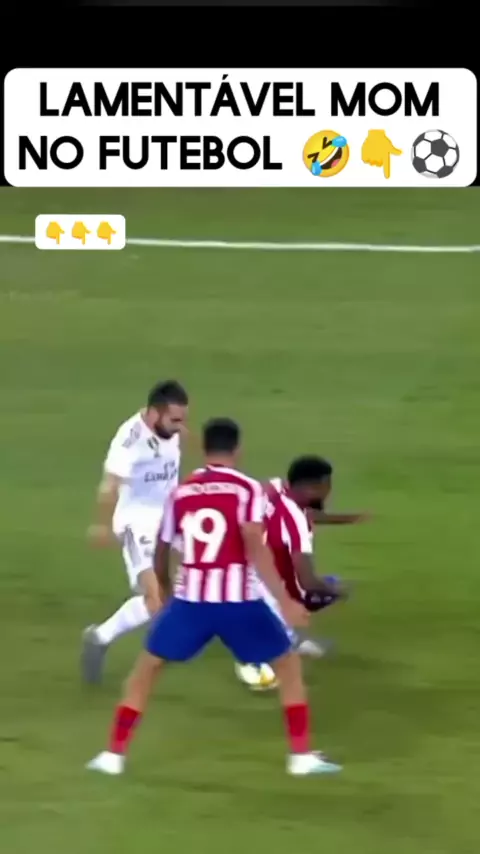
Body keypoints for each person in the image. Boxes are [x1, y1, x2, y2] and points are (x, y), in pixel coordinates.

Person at [86, 418, 342, 777]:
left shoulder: (181, 492)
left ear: (205, 449)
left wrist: (163, 588)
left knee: (146, 671)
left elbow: (162, 547)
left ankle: (112, 755)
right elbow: (254, 545)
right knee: (288, 666)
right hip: (240, 602)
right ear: (237, 449)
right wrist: (285, 600)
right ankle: (300, 757)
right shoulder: (247, 489)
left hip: (191, 603)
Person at [81, 379, 189, 683]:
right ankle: (103, 641)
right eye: (175, 420)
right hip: (136, 522)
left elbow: (182, 436)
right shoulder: (129, 441)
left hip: (171, 518)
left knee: (185, 586)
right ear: (155, 414)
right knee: (156, 598)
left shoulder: (169, 428)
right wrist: (101, 525)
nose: (180, 427)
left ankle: (107, 637)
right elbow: (109, 484)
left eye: (183, 420)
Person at [235, 460, 367, 689]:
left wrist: (346, 519)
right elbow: (308, 580)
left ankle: (284, 635)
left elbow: (306, 513)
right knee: (322, 588)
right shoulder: (296, 526)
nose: (328, 491)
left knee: (307, 588)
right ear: (310, 488)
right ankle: (259, 662)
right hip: (260, 583)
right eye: (326, 486)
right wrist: (338, 592)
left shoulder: (277, 487)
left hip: (241, 567)